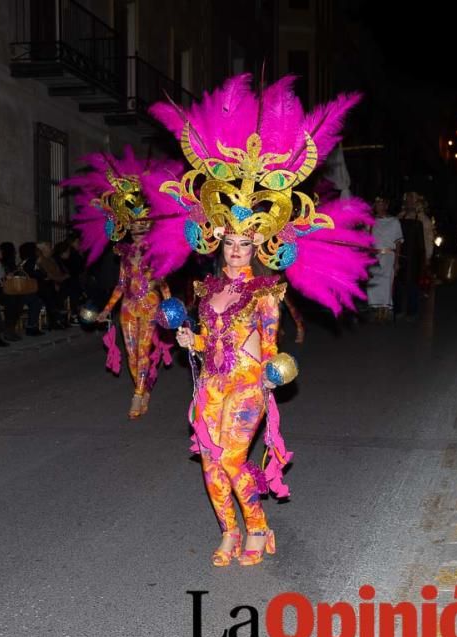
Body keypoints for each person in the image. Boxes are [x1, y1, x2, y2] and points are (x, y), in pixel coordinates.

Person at [147, 73, 373, 567]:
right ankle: (228, 531)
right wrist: (191, 336)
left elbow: (269, 345)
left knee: (231, 459)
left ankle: (258, 527)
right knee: (210, 464)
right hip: (210, 381)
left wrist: (273, 375)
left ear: (258, 246)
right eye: (229, 243)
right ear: (218, 243)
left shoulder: (267, 291)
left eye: (244, 244)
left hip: (248, 383)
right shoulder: (206, 289)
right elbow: (208, 338)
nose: (234, 251)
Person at [62, 147, 178, 418]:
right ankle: (144, 386)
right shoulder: (124, 253)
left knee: (143, 350)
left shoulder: (157, 252)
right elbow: (120, 283)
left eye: (143, 223)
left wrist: (170, 306)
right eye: (134, 224)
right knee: (131, 353)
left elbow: (162, 283)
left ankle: (138, 395)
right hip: (127, 305)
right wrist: (107, 308)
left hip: (150, 303)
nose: (138, 228)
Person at [367, 196, 404, 320]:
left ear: (386, 206)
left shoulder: (394, 221)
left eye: (381, 203)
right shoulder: (371, 221)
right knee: (373, 282)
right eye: (376, 203)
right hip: (374, 255)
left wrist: (397, 262)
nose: (378, 206)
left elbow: (398, 242)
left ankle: (384, 310)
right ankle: (377, 309)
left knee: (386, 282)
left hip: (388, 256)